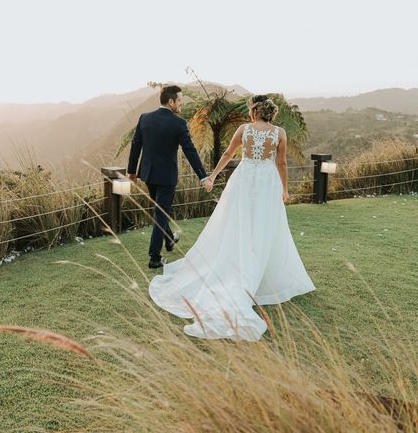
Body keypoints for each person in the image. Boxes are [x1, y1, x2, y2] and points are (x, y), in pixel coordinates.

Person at [148, 95, 316, 341]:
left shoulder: (244, 129)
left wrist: (213, 176)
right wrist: (285, 189)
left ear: (254, 112)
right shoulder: (279, 133)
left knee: (235, 223)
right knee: (265, 227)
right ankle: (255, 272)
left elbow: (227, 154)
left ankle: (241, 267)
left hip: (244, 180)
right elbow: (281, 163)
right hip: (268, 182)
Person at [127, 85, 208, 269]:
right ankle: (154, 257)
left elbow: (135, 146)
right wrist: (203, 176)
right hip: (167, 177)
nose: (181, 103)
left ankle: (170, 238)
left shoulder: (144, 118)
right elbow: (190, 151)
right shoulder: (178, 123)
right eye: (179, 100)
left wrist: (131, 171)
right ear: (171, 101)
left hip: (148, 174)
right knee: (160, 214)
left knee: (159, 211)